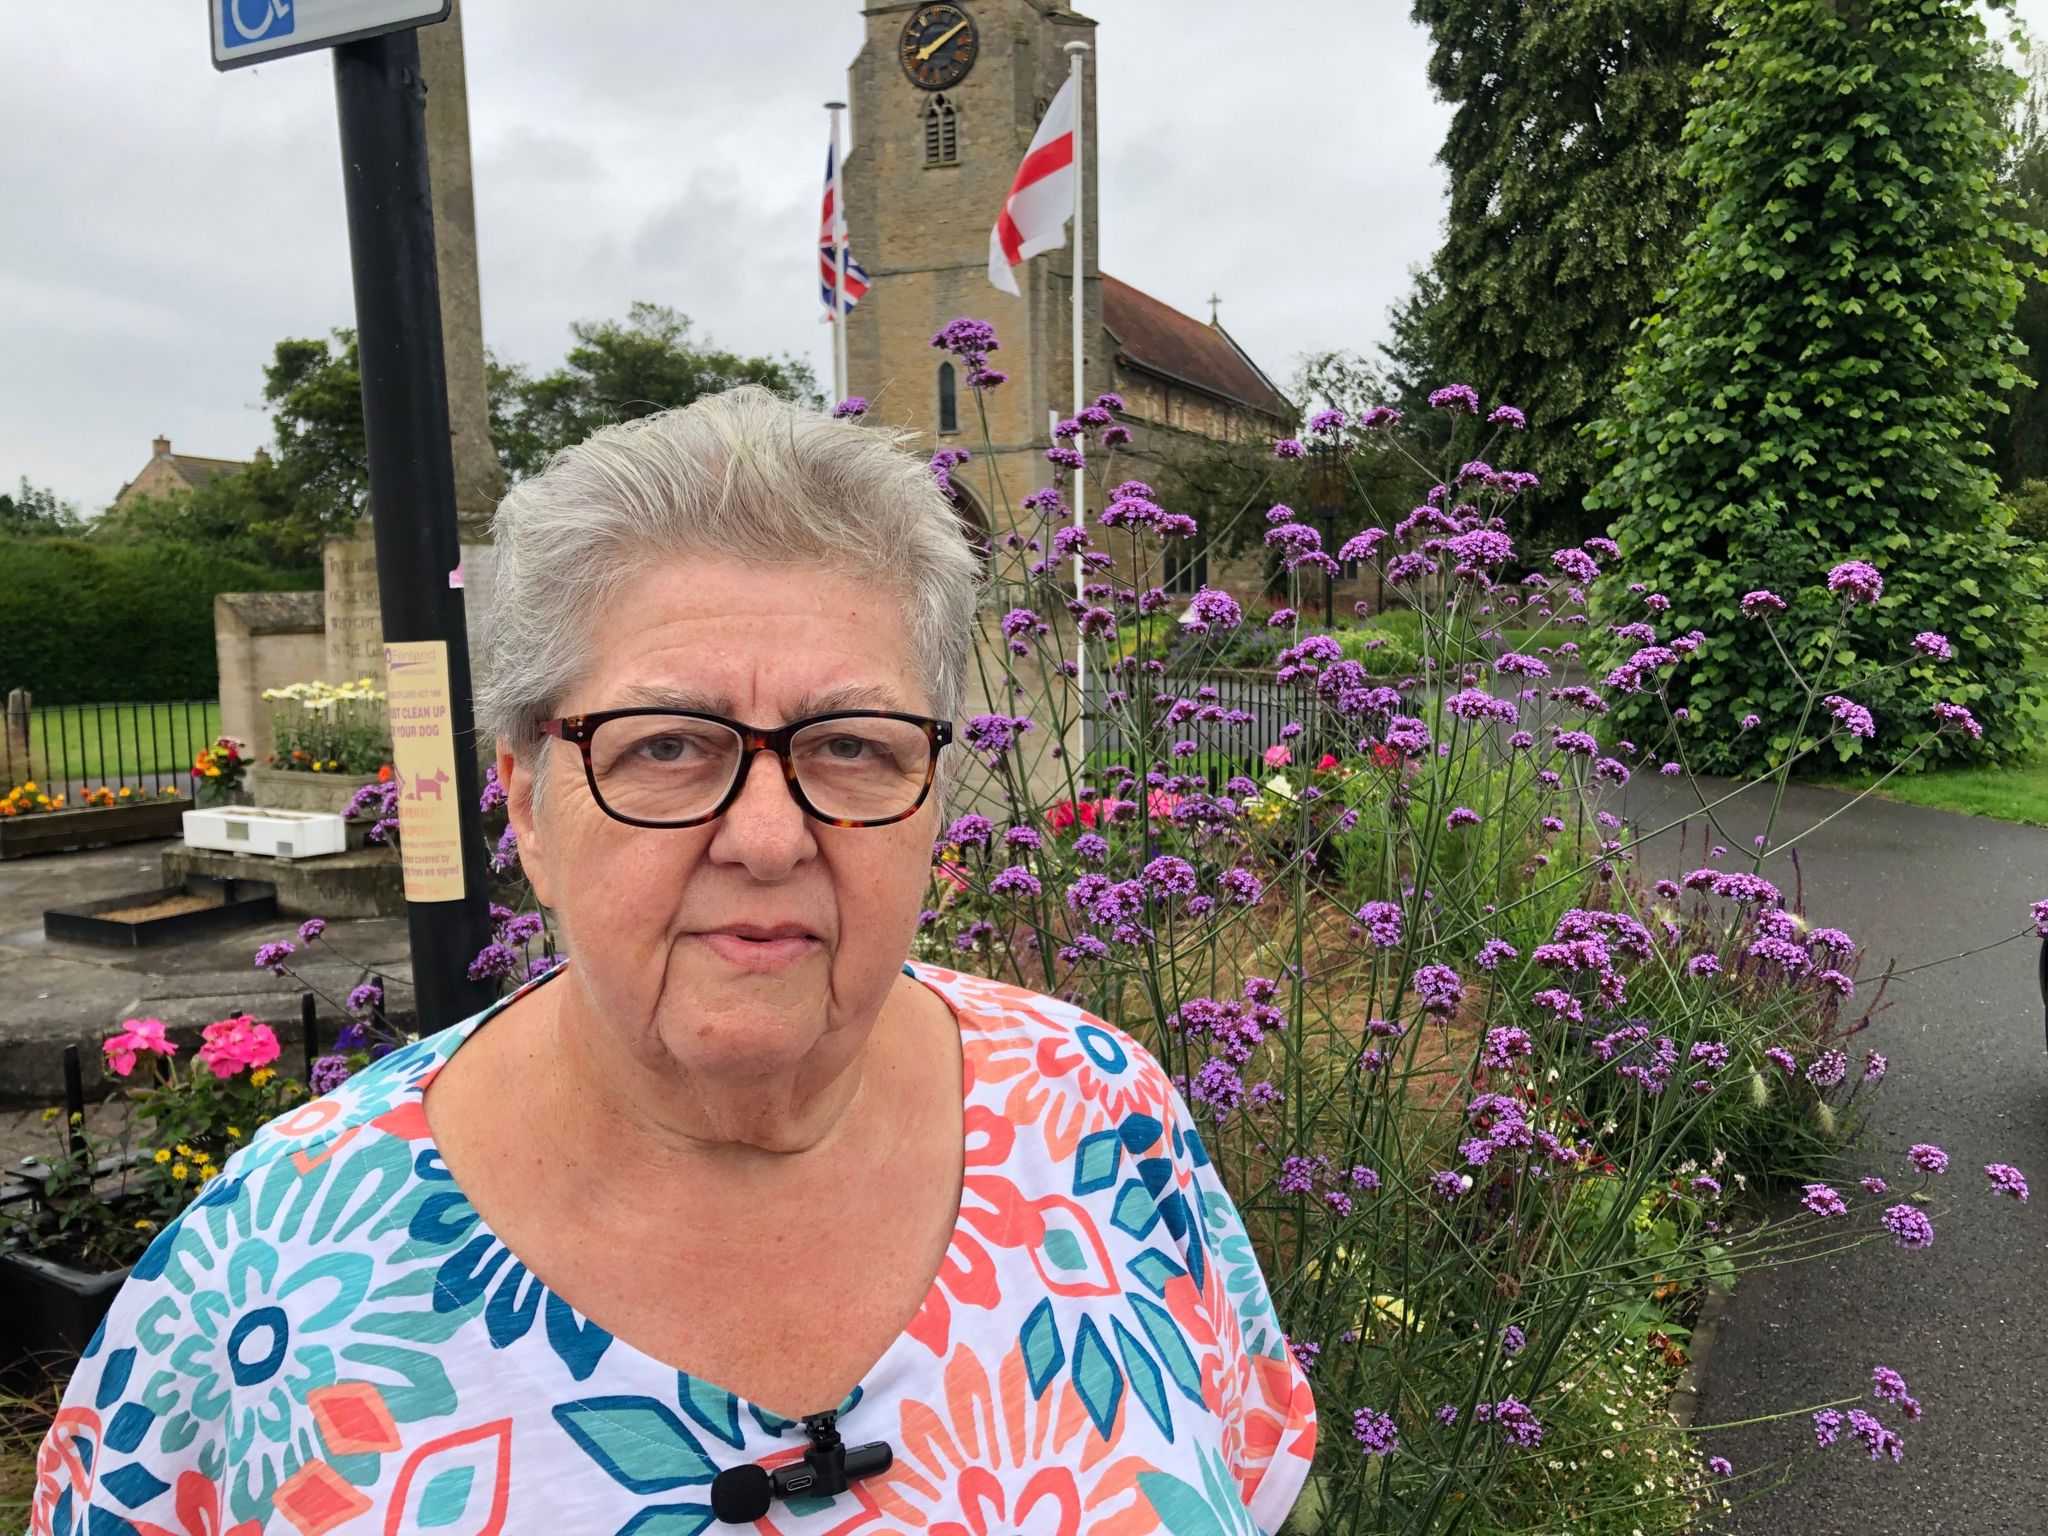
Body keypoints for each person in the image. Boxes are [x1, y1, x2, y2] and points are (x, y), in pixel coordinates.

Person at [33, 386, 1316, 1534]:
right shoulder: (263, 1287)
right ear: (527, 804)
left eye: (853, 744)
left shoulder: (1102, 1115)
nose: (768, 837)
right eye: (664, 745)